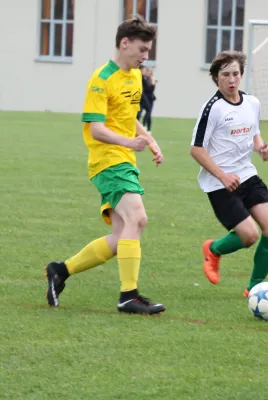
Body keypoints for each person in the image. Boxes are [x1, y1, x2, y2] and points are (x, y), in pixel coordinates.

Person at [44, 16, 166, 315]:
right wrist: (129, 143)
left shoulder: (135, 76)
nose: (145, 56)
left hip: (124, 160)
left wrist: (148, 139)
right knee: (137, 218)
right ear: (124, 43)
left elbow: (128, 116)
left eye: (148, 50)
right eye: (142, 49)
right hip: (107, 161)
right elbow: (96, 128)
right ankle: (129, 296)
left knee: (122, 234)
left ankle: (61, 270)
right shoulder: (101, 79)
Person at [189, 50, 268, 297]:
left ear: (241, 75)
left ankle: (254, 289)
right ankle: (214, 249)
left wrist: (260, 146)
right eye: (226, 74)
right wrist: (222, 175)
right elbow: (196, 149)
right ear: (216, 78)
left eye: (235, 74)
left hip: (247, 175)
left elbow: (254, 131)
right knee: (249, 236)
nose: (231, 79)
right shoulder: (213, 109)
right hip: (219, 183)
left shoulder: (252, 103)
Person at [137, 66, 156, 132]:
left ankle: (147, 128)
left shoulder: (148, 79)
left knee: (148, 113)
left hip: (149, 99)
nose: (149, 72)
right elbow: (149, 89)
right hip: (143, 98)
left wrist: (153, 83)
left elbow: (150, 89)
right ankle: (142, 126)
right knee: (139, 113)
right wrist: (153, 84)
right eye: (147, 71)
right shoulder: (142, 77)